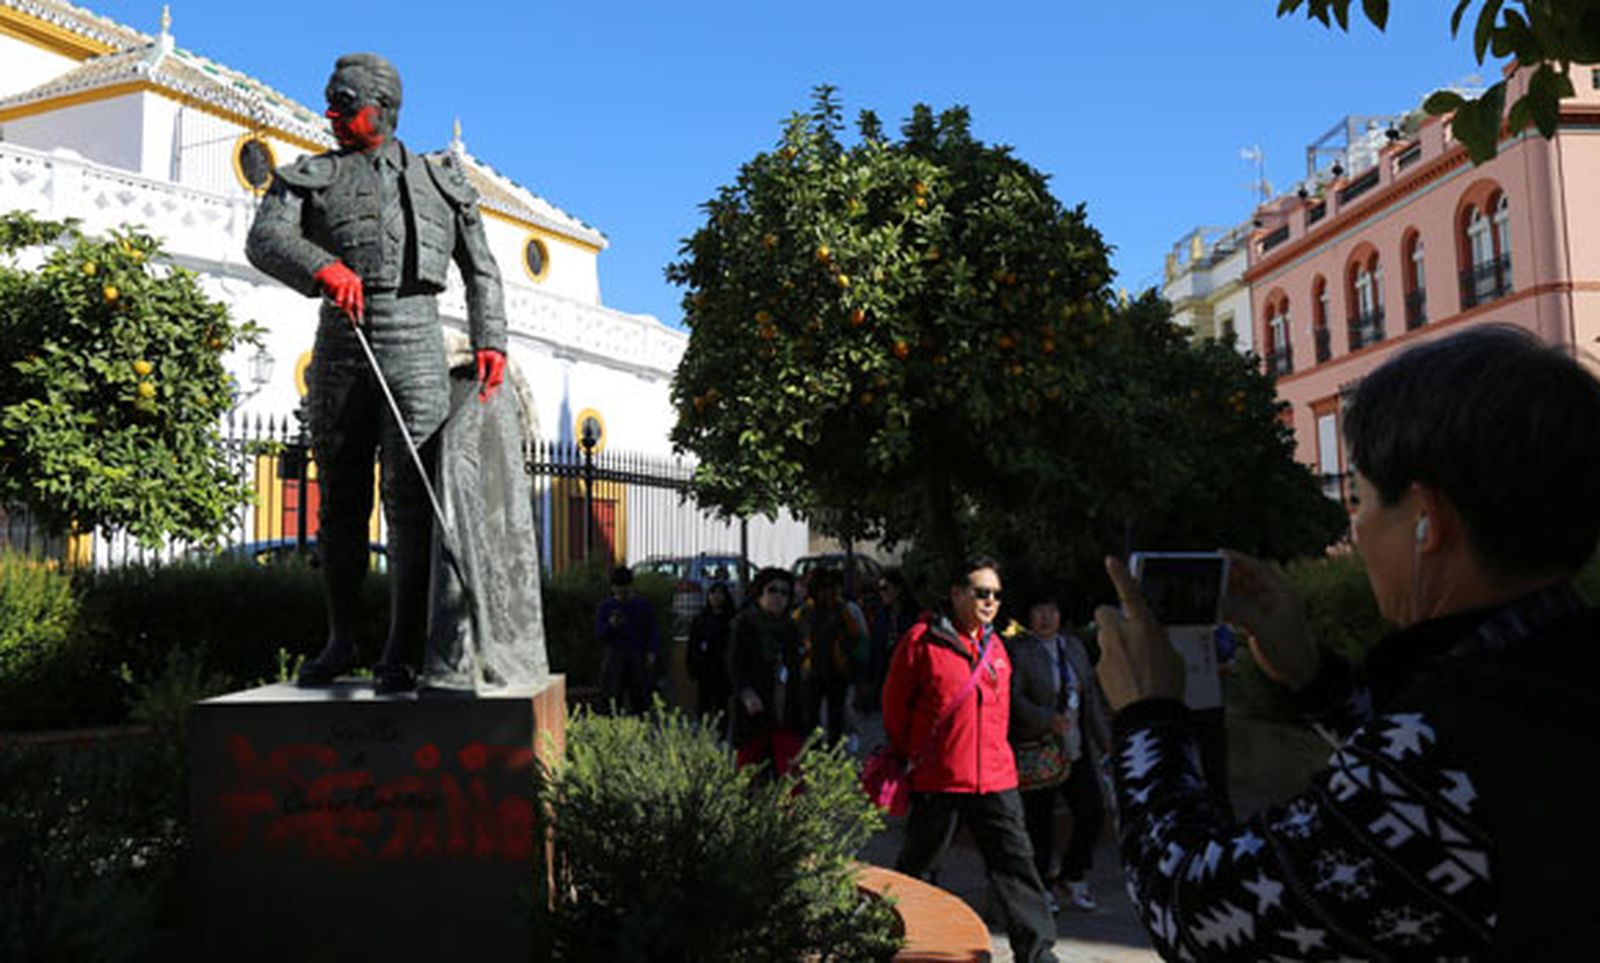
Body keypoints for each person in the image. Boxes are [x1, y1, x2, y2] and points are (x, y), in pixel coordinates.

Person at [1094, 325, 1600, 960]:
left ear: (1427, 520)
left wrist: (1147, 716)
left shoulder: (1451, 753)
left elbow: (1198, 913)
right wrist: (1310, 674)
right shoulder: (1552, 672)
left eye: (1359, 498)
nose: (1354, 530)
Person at [246, 53, 507, 693]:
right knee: (339, 500)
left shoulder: (440, 179)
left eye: (344, 103)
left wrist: (489, 339)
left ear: (383, 109)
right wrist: (322, 267)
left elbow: (482, 269)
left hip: (415, 339)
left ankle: (401, 648)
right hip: (340, 342)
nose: (331, 114)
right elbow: (263, 239)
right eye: (330, 102)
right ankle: (341, 639)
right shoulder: (310, 177)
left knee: (410, 502)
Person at [882, 557, 1059, 963]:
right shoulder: (921, 641)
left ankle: (1037, 954)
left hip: (996, 779)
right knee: (918, 873)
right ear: (957, 594)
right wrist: (920, 753)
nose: (990, 601)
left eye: (996, 594)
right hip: (940, 780)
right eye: (982, 593)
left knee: (1017, 870)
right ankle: (900, 945)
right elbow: (894, 709)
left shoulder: (996, 645)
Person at [1008, 597, 1111, 915]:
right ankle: (1042, 885)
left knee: (1093, 810)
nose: (1046, 617)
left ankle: (1074, 874)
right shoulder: (1020, 650)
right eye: (1038, 610)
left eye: (1052, 610)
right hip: (1040, 750)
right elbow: (1014, 699)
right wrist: (1045, 718)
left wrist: (1106, 741)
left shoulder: (1074, 646)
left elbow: (1090, 696)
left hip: (1075, 747)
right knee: (1040, 821)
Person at [730, 567, 802, 773]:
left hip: (785, 711)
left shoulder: (790, 627)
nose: (778, 597)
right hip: (755, 710)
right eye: (773, 590)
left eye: (784, 592)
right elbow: (735, 664)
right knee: (748, 772)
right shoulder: (745, 624)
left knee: (792, 773)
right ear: (760, 593)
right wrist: (746, 692)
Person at [797, 568, 864, 745]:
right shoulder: (805, 612)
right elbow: (793, 636)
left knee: (835, 717)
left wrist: (843, 648)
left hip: (836, 671)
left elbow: (856, 635)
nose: (826, 592)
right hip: (812, 672)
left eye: (830, 587)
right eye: (823, 587)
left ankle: (831, 752)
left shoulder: (842, 610)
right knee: (811, 718)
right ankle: (814, 751)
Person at [595, 566, 659, 714]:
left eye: (625, 588)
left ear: (631, 586)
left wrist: (652, 651)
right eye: (618, 588)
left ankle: (642, 726)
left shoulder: (643, 605)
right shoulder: (606, 607)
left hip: (637, 654)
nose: (621, 592)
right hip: (615, 655)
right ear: (612, 588)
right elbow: (600, 634)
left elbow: (652, 630)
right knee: (611, 697)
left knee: (640, 698)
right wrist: (611, 625)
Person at [863, 569, 920, 714]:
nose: (882, 593)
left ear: (898, 588)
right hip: (885, 674)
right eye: (880, 589)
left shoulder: (913, 615)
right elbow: (874, 647)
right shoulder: (881, 615)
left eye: (885, 588)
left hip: (907, 675)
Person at [686, 581, 735, 722]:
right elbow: (693, 644)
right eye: (713, 593)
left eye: (720, 593)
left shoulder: (732, 619)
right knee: (704, 703)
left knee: (722, 704)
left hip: (723, 668)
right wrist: (692, 666)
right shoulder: (701, 618)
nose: (716, 597)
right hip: (705, 668)